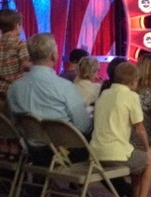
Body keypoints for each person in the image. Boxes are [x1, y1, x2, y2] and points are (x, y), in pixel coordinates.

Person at [90, 62, 151, 197]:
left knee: (137, 157)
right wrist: (148, 148)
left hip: (96, 153)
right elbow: (140, 128)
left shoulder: (104, 94)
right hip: (116, 154)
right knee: (149, 159)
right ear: (133, 82)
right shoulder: (131, 96)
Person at [8, 33, 91, 135]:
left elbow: (15, 123)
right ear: (53, 55)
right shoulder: (65, 87)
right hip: (65, 147)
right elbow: (83, 126)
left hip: (30, 146)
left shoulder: (13, 88)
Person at [0, 8, 31, 159]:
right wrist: (37, 66)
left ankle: (4, 150)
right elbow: (26, 64)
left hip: (0, 89)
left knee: (3, 125)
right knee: (15, 124)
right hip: (14, 90)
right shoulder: (19, 43)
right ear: (17, 25)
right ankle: (14, 151)